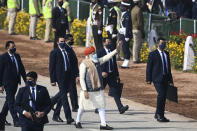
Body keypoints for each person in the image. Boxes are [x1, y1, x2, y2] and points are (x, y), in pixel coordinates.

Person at [74, 41, 122, 130]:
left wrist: (116, 50)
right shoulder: (84, 64)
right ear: (89, 54)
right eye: (93, 53)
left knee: (101, 106)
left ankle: (103, 124)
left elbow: (106, 57)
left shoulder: (96, 61)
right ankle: (77, 122)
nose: (94, 54)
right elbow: (81, 79)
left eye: (94, 52)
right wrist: (84, 90)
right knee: (82, 107)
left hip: (98, 89)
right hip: (88, 90)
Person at [51, 34, 79, 122]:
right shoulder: (55, 52)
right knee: (64, 97)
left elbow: (73, 63)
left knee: (62, 96)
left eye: (63, 41)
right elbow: (51, 67)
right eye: (61, 42)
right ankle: (69, 117)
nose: (63, 43)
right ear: (57, 43)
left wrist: (76, 75)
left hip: (69, 76)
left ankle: (53, 108)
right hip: (61, 77)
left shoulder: (68, 50)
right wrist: (53, 80)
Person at [97, 37, 129, 114]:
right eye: (108, 42)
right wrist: (101, 72)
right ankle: (97, 107)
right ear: (104, 43)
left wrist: (117, 75)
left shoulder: (112, 51)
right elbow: (97, 63)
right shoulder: (100, 52)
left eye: (110, 42)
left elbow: (114, 64)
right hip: (103, 75)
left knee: (115, 92)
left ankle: (120, 107)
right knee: (100, 91)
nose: (109, 44)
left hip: (111, 75)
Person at [146, 37, 174, 122]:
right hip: (157, 78)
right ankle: (160, 115)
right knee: (161, 95)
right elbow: (149, 67)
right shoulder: (152, 54)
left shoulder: (167, 53)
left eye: (165, 43)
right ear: (158, 44)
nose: (163, 45)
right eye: (162, 43)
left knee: (164, 96)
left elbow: (168, 68)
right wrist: (148, 79)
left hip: (165, 78)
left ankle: (158, 114)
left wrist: (171, 80)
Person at [0, 41, 26, 127]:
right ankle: (16, 120)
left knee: (8, 100)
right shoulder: (3, 57)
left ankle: (1, 118)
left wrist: (26, 80)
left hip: (15, 82)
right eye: (12, 47)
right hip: (7, 83)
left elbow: (21, 69)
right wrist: (0, 85)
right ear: (7, 48)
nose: (14, 48)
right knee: (11, 101)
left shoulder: (17, 56)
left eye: (15, 46)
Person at [119, 1, 132, 68]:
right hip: (122, 33)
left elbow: (127, 26)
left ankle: (126, 61)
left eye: (122, 6)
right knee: (123, 47)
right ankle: (125, 60)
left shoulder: (127, 15)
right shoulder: (123, 14)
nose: (121, 7)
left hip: (125, 34)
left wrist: (127, 35)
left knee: (125, 48)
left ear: (126, 8)